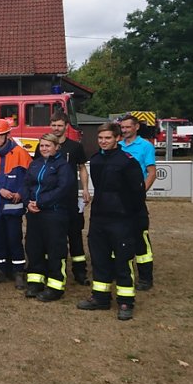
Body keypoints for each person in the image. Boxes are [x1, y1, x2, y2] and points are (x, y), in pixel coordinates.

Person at [78, 123, 145, 321]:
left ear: (117, 138)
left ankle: (125, 302)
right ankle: (100, 297)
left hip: (121, 219)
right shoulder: (96, 160)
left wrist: (127, 215)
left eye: (107, 138)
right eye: (100, 138)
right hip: (99, 217)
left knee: (122, 261)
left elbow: (137, 193)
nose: (103, 141)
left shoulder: (127, 161)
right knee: (99, 259)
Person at [22, 133, 74, 301]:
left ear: (56, 147)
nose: (44, 148)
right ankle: (35, 282)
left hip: (54, 213)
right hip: (34, 213)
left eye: (48, 145)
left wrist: (40, 202)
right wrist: (27, 202)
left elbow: (63, 188)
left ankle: (55, 286)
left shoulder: (62, 166)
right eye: (42, 145)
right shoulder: (35, 164)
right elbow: (26, 185)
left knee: (55, 249)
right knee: (34, 247)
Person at [0, 117, 31, 289]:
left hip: (14, 206)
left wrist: (20, 193)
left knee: (14, 239)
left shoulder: (20, 153)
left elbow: (28, 178)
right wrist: (0, 190)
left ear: (7, 135)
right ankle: (0, 269)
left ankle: (18, 271)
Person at [47, 112, 91, 285]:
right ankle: (53, 268)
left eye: (59, 125)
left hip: (70, 199)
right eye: (53, 125)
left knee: (75, 236)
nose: (56, 128)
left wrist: (85, 189)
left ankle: (80, 272)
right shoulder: (44, 146)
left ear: (66, 126)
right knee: (53, 237)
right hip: (51, 200)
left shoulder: (75, 147)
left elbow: (82, 168)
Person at [119, 114, 157, 290]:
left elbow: (151, 172)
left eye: (128, 127)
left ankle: (145, 278)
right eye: (123, 127)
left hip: (135, 201)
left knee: (140, 240)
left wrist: (140, 193)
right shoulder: (117, 145)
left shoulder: (145, 146)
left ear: (136, 127)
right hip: (118, 200)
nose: (125, 130)